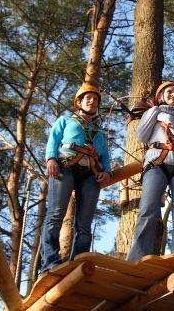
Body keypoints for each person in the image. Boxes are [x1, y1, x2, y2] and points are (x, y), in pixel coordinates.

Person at [40, 83, 112, 274]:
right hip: (64, 167)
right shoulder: (65, 121)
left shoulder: (99, 131)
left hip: (90, 173)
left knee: (84, 223)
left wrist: (107, 171)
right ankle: (50, 262)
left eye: (95, 99)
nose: (92, 101)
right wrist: (51, 159)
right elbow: (53, 140)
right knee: (56, 215)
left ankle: (78, 263)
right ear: (79, 102)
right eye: (88, 98)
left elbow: (105, 155)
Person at [127, 81, 174, 261]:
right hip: (156, 163)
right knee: (148, 208)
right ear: (161, 96)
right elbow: (142, 135)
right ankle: (138, 257)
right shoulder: (152, 113)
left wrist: (170, 121)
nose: (173, 95)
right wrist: (155, 112)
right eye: (169, 92)